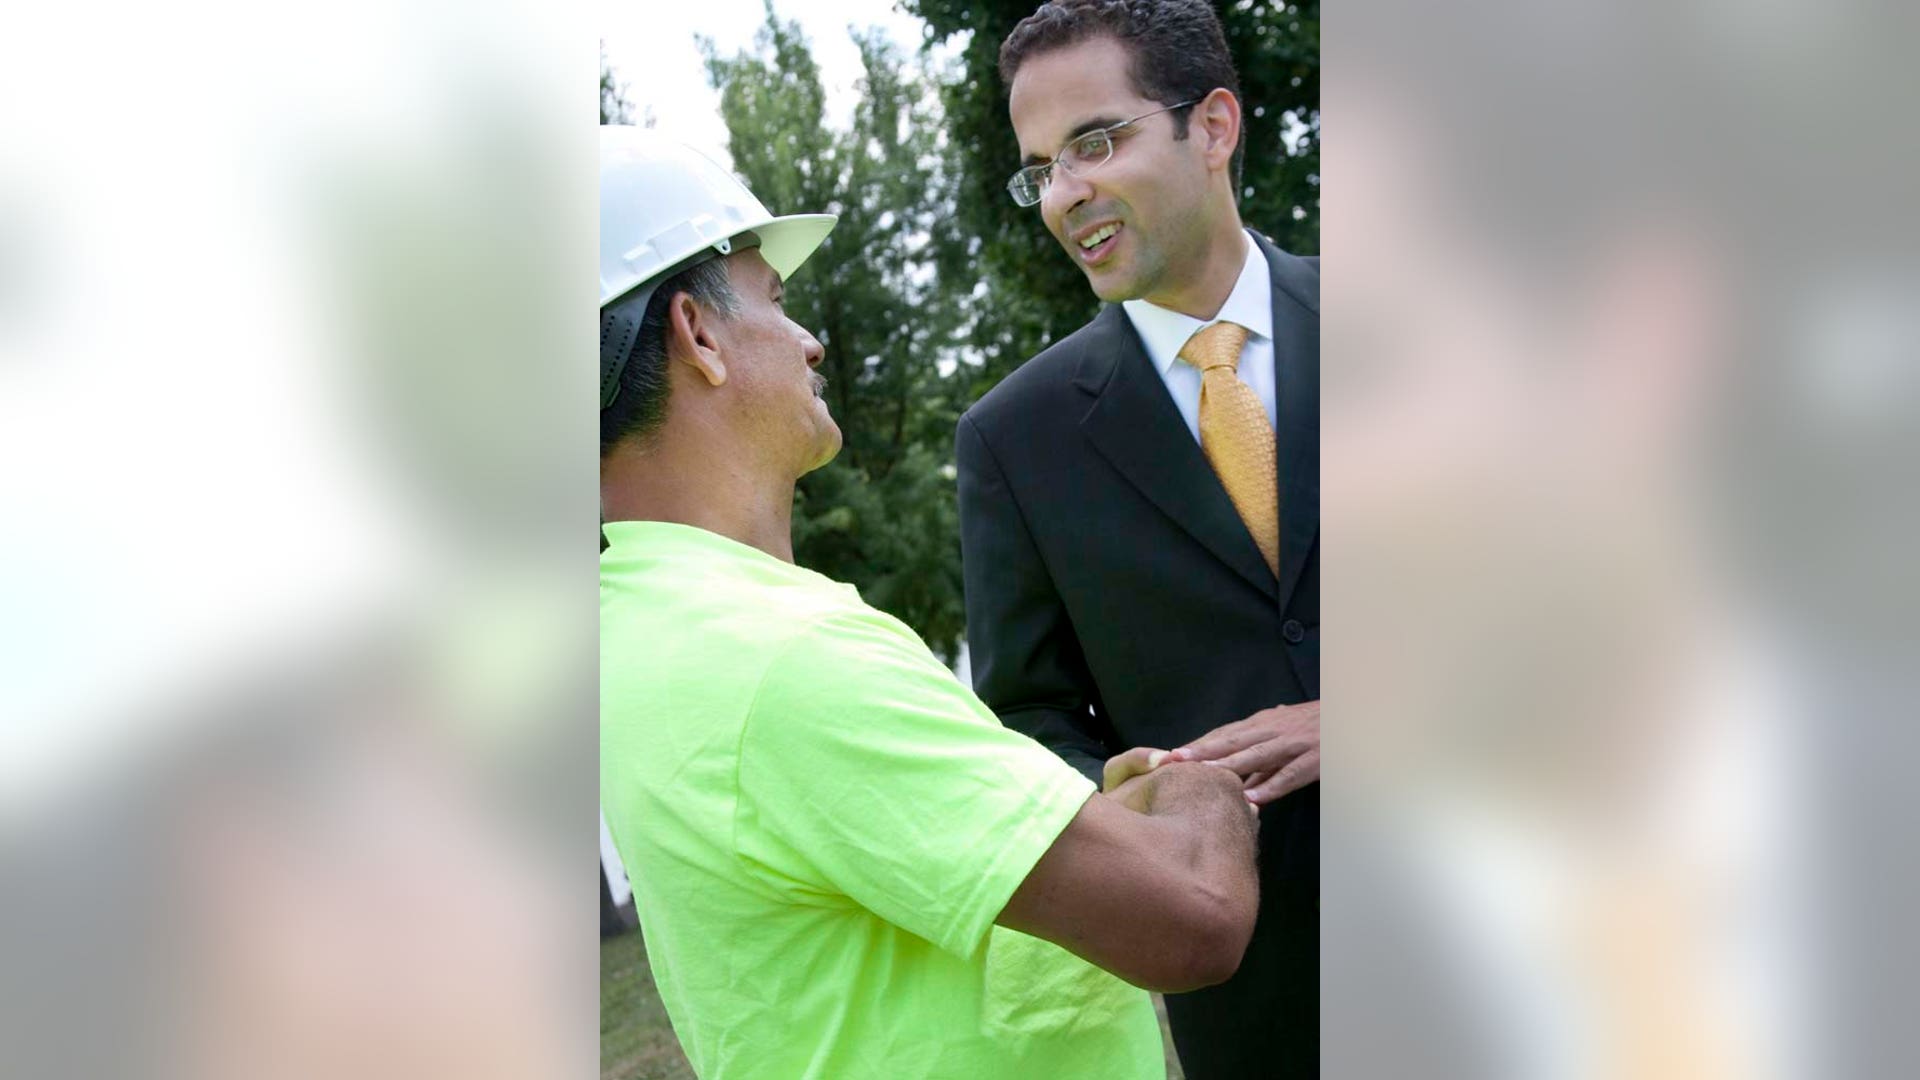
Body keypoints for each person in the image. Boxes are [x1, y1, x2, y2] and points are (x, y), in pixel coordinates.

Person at [597, 125, 1261, 1079]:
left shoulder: (638, 630)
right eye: (775, 300)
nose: (810, 341)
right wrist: (1201, 785)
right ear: (698, 336)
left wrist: (1089, 817)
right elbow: (1194, 919)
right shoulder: (787, 658)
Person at [954, 3, 1320, 1076]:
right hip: (1262, 1008)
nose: (1063, 194)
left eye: (1095, 142)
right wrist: (1130, 795)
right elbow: (1029, 722)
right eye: (1040, 169)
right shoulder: (1011, 441)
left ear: (1213, 127)